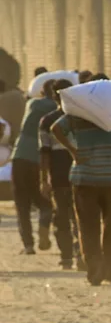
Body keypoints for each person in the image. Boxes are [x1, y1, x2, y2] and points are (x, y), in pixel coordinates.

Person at [51, 98, 111, 285]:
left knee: (88, 227)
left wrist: (72, 150)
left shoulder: (77, 113)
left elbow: (55, 128)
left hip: (84, 178)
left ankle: (95, 271)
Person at [13, 80, 56, 255]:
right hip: (40, 158)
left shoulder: (32, 103)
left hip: (20, 154)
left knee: (21, 203)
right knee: (44, 199)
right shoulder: (57, 108)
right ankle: (44, 221)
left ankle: (28, 244)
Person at [39, 79, 79, 269]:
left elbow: (45, 153)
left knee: (62, 217)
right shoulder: (80, 117)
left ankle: (68, 257)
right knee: (78, 215)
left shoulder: (47, 121)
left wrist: (44, 180)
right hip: (78, 174)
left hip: (59, 176)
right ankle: (80, 254)